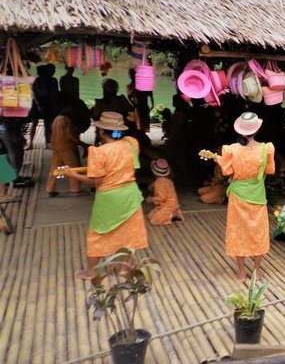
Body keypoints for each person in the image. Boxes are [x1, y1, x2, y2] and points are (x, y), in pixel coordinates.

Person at [62, 111, 148, 280]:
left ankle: (91, 271)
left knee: (97, 234)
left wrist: (72, 175)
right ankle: (124, 269)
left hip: (109, 197)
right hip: (130, 195)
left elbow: (96, 181)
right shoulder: (132, 143)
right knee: (128, 233)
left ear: (101, 131)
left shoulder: (98, 152)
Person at [213, 112, 275, 281]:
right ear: (257, 130)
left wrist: (219, 161)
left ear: (240, 131)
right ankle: (257, 270)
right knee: (258, 231)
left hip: (238, 196)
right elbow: (270, 171)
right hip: (257, 194)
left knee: (238, 231)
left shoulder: (231, 150)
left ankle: (241, 272)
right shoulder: (266, 149)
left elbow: (227, 172)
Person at [46, 105, 85, 197]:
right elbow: (69, 135)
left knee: (54, 168)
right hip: (66, 146)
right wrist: (80, 143)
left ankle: (50, 188)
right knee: (73, 167)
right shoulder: (66, 120)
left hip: (56, 145)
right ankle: (75, 188)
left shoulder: (56, 119)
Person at [146, 158, 184, 226]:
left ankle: (173, 214)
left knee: (154, 221)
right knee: (150, 215)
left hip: (168, 206)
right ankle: (173, 211)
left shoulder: (159, 182)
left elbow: (161, 198)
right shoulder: (167, 180)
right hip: (165, 205)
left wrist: (151, 199)